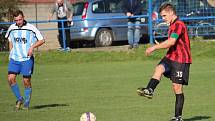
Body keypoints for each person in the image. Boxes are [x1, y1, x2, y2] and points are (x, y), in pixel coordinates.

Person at [136, 3, 192, 121]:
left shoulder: (178, 25)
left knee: (177, 88)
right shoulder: (172, 25)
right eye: (162, 16)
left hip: (181, 60)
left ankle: (178, 117)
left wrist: (153, 47)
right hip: (171, 56)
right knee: (159, 69)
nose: (163, 18)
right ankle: (150, 90)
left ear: (171, 13)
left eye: (164, 15)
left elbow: (171, 42)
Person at [5, 10, 45, 110]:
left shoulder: (31, 28)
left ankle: (26, 102)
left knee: (26, 80)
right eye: (16, 20)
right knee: (10, 79)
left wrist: (32, 47)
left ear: (23, 17)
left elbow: (42, 40)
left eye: (20, 19)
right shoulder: (12, 28)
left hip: (27, 59)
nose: (18, 22)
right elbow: (10, 40)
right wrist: (10, 52)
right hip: (15, 58)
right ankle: (20, 98)